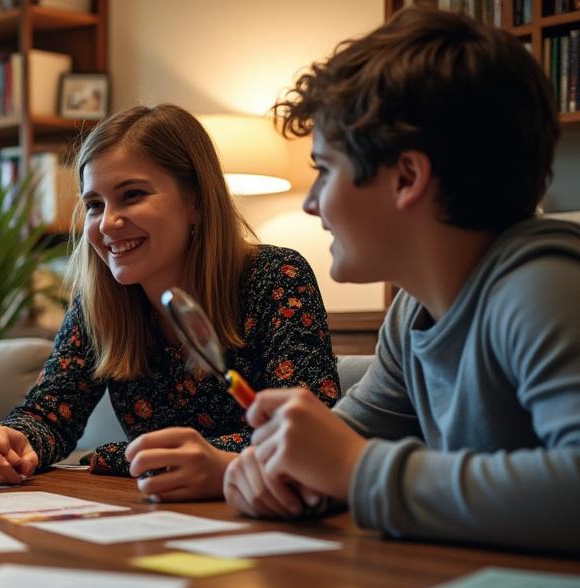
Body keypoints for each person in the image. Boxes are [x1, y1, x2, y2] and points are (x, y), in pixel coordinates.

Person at [226, 7, 580, 554]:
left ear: (407, 177)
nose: (311, 202)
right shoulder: (413, 312)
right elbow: (341, 448)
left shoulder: (541, 286)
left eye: (324, 169)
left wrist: (354, 469)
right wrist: (280, 472)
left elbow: (354, 463)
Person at [0, 104, 340, 499]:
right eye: (95, 205)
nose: (108, 223)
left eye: (132, 195)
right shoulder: (98, 302)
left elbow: (310, 436)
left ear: (196, 201)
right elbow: (50, 415)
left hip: (265, 512)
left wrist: (120, 455)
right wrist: (9, 439)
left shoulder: (277, 277)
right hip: (154, 514)